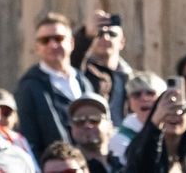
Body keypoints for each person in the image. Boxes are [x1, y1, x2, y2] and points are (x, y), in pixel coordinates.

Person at [16, 13, 93, 161]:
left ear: (71, 43)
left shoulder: (83, 81)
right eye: (45, 40)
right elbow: (29, 141)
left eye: (58, 38)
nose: (52, 45)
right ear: (37, 47)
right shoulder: (29, 87)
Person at [71, 11, 133, 120]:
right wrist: (86, 34)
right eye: (99, 34)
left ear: (122, 42)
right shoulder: (81, 72)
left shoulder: (130, 78)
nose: (105, 38)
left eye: (112, 34)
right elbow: (72, 60)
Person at [124, 88, 186, 173]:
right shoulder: (139, 146)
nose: (175, 114)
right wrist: (154, 126)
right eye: (169, 109)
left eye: (181, 109)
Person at [112, 73, 167, 164]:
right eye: (136, 94)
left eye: (150, 93)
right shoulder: (120, 138)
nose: (144, 98)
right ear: (130, 102)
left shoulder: (175, 127)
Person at [68, 93, 121, 173]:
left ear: (110, 126)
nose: (87, 125)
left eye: (94, 119)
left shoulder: (125, 162)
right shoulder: (66, 168)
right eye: (79, 120)